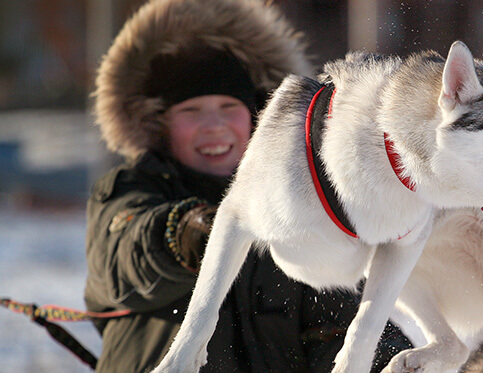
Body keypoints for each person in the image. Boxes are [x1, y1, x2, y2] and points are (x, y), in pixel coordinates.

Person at [84, 0, 411, 371]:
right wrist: (186, 233)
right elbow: (124, 258)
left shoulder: (302, 204)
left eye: (228, 108)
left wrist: (388, 360)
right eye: (190, 111)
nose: (214, 125)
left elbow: (337, 321)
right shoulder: (130, 187)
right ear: (158, 124)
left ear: (259, 116)